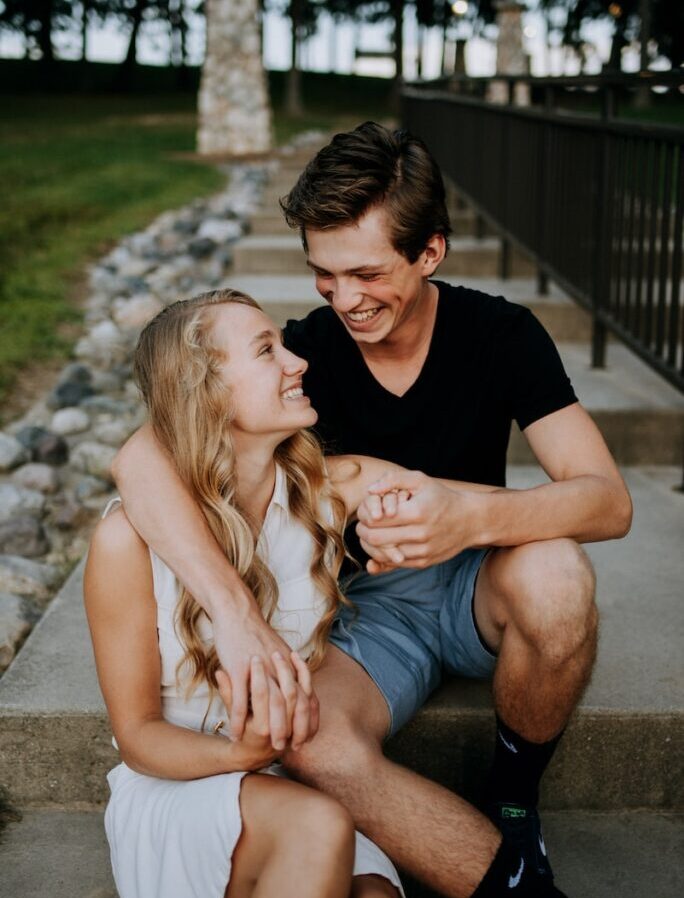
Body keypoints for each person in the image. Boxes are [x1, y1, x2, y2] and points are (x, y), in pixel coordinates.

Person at [112, 123, 633, 898]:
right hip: (361, 610)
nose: (346, 299)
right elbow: (138, 458)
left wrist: (468, 517)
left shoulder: (501, 334)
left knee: (558, 576)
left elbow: (607, 501)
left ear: (430, 252)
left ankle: (515, 801)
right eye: (324, 274)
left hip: (480, 580)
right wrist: (236, 613)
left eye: (365, 273)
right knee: (312, 739)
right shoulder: (303, 353)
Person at [84, 290, 406, 898]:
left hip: (287, 776)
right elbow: (137, 737)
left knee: (376, 893)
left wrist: (422, 524)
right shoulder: (126, 542)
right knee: (319, 825)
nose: (297, 362)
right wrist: (244, 753)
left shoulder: (322, 495)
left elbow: (470, 506)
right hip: (176, 786)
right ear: (206, 391)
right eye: (267, 351)